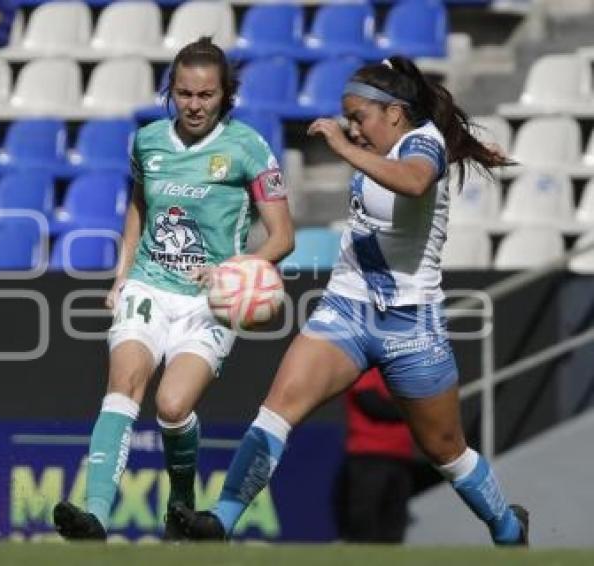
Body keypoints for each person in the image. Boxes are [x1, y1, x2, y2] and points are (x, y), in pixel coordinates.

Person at [170, 55, 529, 546]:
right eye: (348, 121)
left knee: (445, 450)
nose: (352, 129)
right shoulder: (374, 150)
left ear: (395, 113)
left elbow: (414, 181)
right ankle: (222, 521)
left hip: (410, 323)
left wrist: (341, 145)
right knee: (277, 410)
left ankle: (507, 528)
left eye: (359, 118)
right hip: (346, 308)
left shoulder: (423, 143)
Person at [52, 37, 295, 541]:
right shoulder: (148, 141)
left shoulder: (248, 147)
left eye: (205, 95)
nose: (194, 105)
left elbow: (283, 236)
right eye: (184, 94)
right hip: (149, 283)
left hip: (212, 302)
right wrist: (122, 275)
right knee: (124, 385)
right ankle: (95, 514)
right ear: (172, 92)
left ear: (225, 95)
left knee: (171, 406)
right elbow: (139, 206)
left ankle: (181, 504)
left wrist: (236, 270)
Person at [338, 367, 413, 543]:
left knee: (395, 521)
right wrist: (414, 410)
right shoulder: (365, 369)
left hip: (401, 456)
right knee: (364, 518)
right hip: (368, 455)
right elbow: (373, 405)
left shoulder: (402, 369)